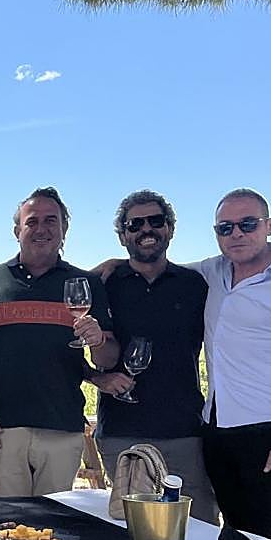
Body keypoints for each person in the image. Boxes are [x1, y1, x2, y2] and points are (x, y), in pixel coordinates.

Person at [0, 187, 118, 497]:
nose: (41, 228)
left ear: (64, 228)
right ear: (17, 230)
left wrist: (96, 341)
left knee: (56, 530)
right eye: (32, 221)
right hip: (1, 429)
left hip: (62, 427)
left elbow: (105, 357)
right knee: (6, 530)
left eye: (51, 220)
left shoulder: (87, 284)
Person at [88, 190, 218, 523]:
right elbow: (72, 340)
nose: (146, 230)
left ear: (170, 229)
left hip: (184, 432)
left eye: (155, 221)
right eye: (135, 224)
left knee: (197, 529)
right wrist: (94, 376)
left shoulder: (196, 285)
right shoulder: (104, 283)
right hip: (121, 431)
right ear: (123, 235)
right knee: (127, 532)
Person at [195, 188, 271, 540]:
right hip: (217, 427)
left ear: (269, 225)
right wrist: (114, 267)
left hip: (270, 435)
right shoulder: (213, 271)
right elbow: (161, 270)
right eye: (225, 228)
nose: (236, 234)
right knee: (232, 536)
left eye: (247, 224)